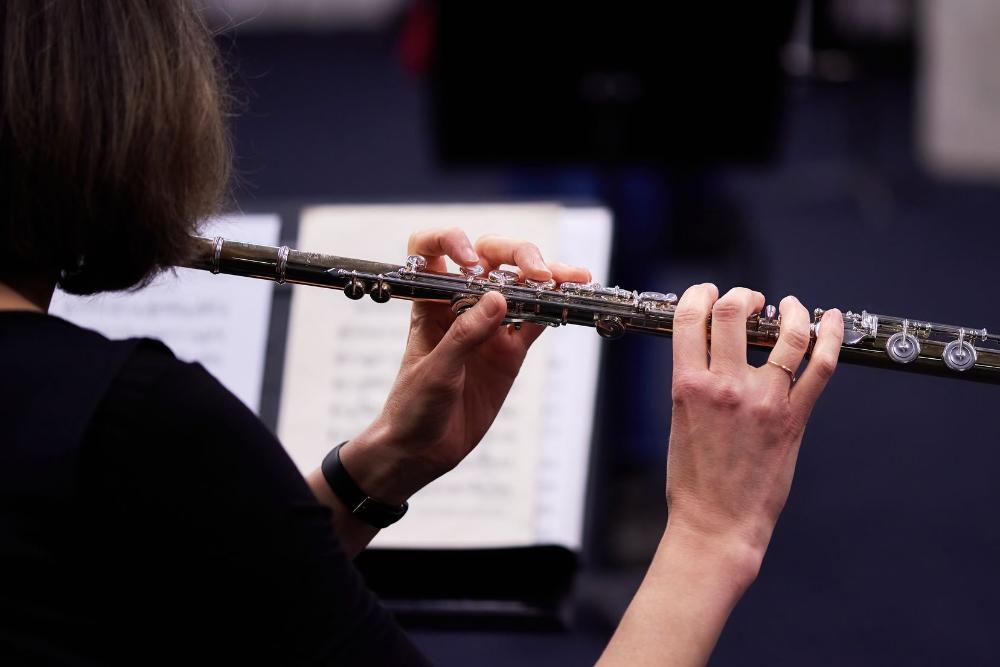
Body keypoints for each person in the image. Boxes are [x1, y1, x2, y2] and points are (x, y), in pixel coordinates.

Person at [0, 2, 845, 665]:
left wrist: (374, 469)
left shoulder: (127, 446)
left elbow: (170, 605)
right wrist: (709, 534)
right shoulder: (137, 426)